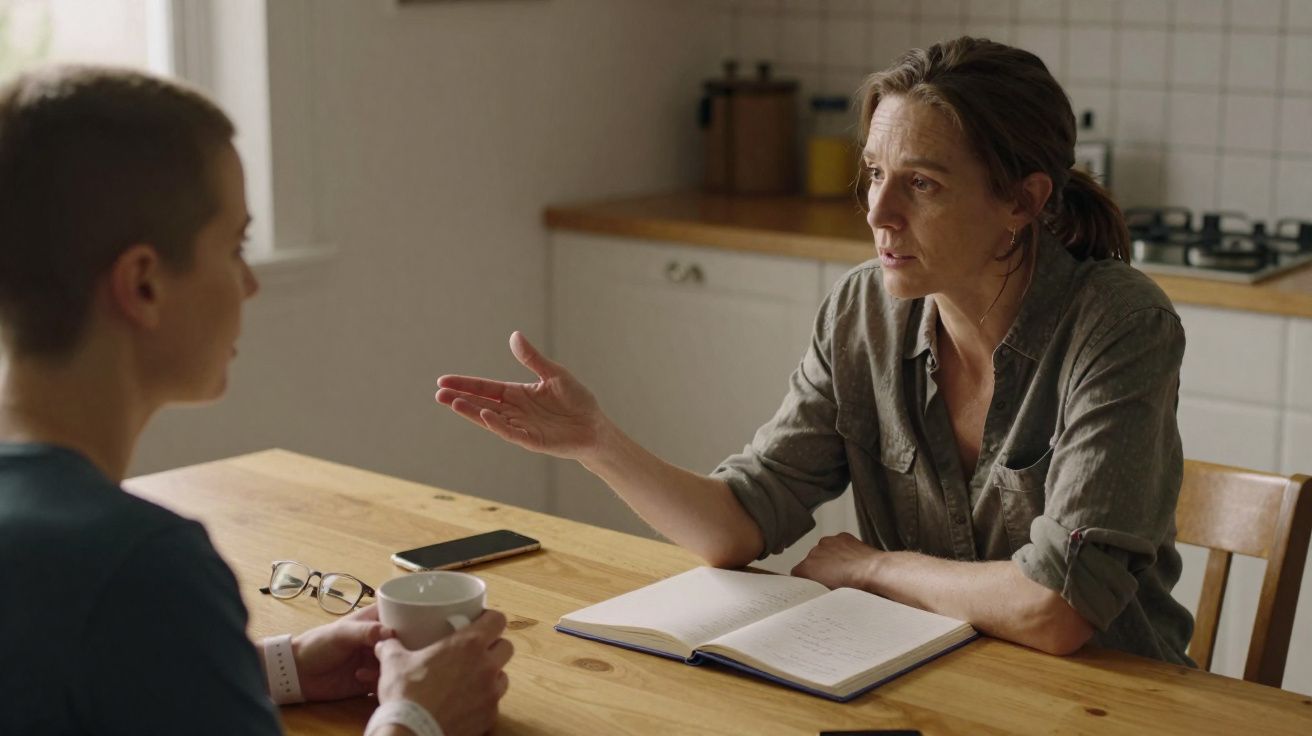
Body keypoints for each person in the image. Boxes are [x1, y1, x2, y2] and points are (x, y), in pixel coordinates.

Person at [435, 37, 1194, 665]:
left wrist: (874, 567)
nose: (878, 212)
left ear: (1022, 202)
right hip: (926, 679)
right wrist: (598, 443)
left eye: (922, 184)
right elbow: (741, 522)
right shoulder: (862, 311)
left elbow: (1056, 609)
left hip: (1112, 701)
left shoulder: (1118, 323)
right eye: (875, 174)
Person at [0, 66, 511, 735]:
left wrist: (272, 668)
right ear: (144, 285)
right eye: (235, 246)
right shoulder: (142, 568)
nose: (249, 284)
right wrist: (418, 716)